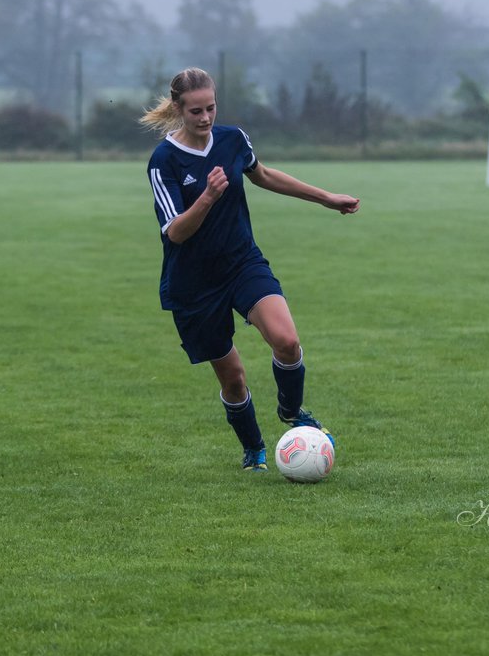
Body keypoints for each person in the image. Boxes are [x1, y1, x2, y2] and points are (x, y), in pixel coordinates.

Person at [141, 68, 360, 471]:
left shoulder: (232, 138)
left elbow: (263, 175)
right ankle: (254, 449)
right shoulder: (163, 162)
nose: (205, 118)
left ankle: (292, 413)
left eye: (210, 108)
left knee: (287, 341)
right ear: (178, 109)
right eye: (195, 111)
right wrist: (207, 197)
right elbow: (175, 233)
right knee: (234, 379)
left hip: (242, 262)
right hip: (194, 284)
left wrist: (325, 197)